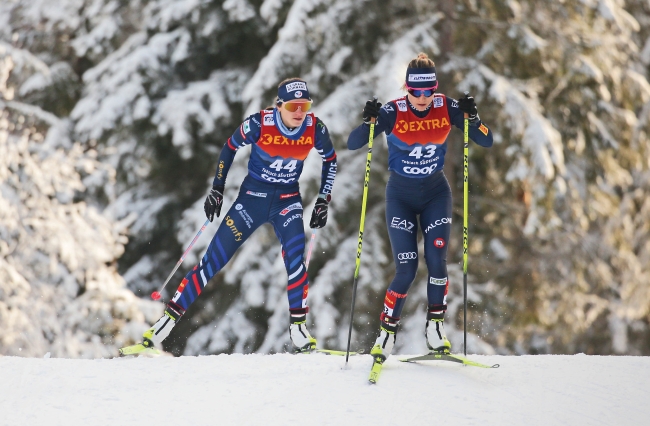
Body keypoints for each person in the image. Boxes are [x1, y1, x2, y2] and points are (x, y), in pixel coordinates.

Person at [140, 78, 337, 353]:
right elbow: (229, 147)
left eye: (304, 105)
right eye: (293, 105)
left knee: (295, 259)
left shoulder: (315, 128)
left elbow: (330, 159)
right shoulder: (260, 123)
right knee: (212, 261)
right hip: (252, 200)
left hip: (287, 202)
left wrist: (322, 201)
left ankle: (299, 330)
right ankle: (166, 322)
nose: (299, 111)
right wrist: (217, 190)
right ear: (279, 105)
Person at [346, 53, 493, 361]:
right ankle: (386, 334)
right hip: (400, 195)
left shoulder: (446, 107)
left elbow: (486, 140)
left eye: (429, 91)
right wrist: (368, 121)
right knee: (407, 268)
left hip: (436, 194)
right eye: (416, 91)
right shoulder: (393, 111)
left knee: (437, 260)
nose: (424, 98)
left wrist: (474, 119)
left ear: (435, 88)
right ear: (406, 88)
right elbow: (353, 142)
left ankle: (435, 328)